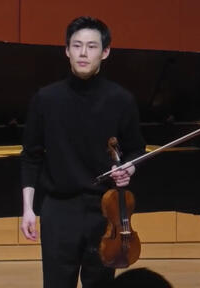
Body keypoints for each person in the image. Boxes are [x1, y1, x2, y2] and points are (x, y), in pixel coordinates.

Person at [19, 16, 145, 288]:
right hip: (58, 211)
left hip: (105, 211)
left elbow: (136, 149)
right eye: (77, 46)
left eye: (91, 46)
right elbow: (31, 155)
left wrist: (129, 168)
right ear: (67, 51)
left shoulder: (121, 100)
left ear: (105, 52)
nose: (83, 53)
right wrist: (28, 209)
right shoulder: (46, 99)